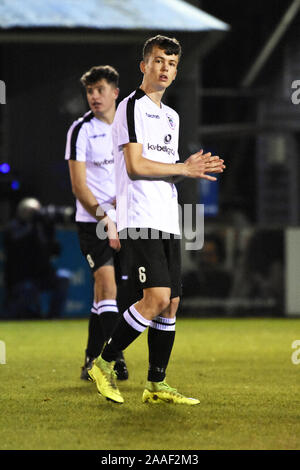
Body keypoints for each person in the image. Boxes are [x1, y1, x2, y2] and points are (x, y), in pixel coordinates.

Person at [87, 35, 225, 404]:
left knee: (173, 302)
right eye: (159, 61)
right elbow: (135, 166)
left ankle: (155, 384)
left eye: (173, 64)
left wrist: (191, 170)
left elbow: (165, 169)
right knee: (157, 297)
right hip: (140, 215)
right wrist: (183, 166)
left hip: (167, 216)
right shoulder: (131, 107)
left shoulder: (171, 116)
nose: (166, 69)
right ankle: (103, 362)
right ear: (144, 65)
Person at [65, 65, 130, 381]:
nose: (94, 96)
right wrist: (104, 213)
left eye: (100, 90)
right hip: (93, 221)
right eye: (90, 91)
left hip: (127, 220)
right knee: (107, 284)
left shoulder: (129, 126)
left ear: (114, 92)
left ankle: (90, 359)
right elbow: (79, 186)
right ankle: (114, 357)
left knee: (104, 296)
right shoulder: (81, 130)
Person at [3, 197, 70, 319]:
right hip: (21, 277)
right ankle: (22, 316)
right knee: (28, 289)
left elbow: (55, 251)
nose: (36, 214)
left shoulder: (42, 227)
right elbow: (19, 242)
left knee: (63, 277)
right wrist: (33, 224)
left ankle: (53, 317)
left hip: (42, 275)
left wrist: (50, 228)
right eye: (32, 212)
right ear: (22, 211)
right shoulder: (13, 228)